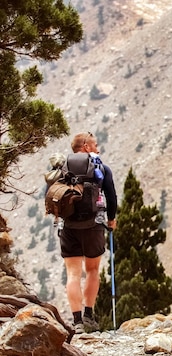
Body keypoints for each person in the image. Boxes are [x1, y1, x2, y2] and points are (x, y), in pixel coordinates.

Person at [60, 132, 117, 334]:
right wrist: (111, 219)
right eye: (95, 144)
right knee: (92, 270)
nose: (98, 148)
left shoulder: (62, 168)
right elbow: (111, 195)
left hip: (69, 227)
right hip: (93, 225)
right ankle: (89, 316)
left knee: (73, 274)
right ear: (85, 146)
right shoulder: (101, 168)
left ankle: (76, 322)